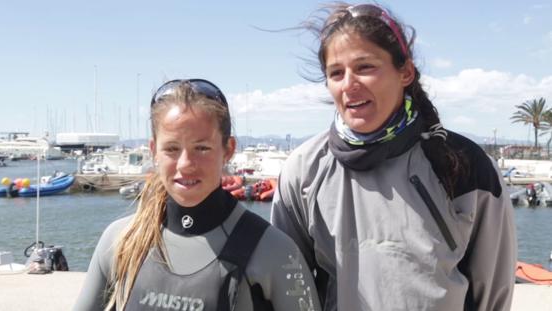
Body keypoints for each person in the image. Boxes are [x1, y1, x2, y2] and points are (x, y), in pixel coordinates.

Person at [270, 3, 517, 311]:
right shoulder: (303, 170)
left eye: (365, 67)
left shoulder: (465, 166)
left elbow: (493, 293)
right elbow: (289, 289)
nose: (349, 84)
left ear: (405, 72)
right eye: (336, 73)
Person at [74, 79, 320, 311]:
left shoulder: (274, 251)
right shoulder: (120, 241)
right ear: (154, 151)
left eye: (201, 148)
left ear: (228, 150)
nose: (185, 164)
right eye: (171, 148)